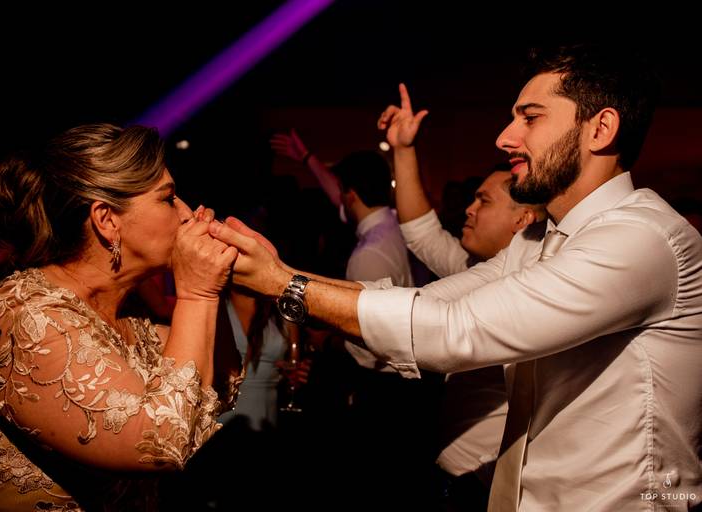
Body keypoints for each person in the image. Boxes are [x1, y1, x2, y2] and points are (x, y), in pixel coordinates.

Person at [210, 45, 702, 511]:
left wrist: (280, 284)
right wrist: (279, 272)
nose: (505, 138)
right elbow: (426, 302)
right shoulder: (538, 242)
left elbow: (452, 331)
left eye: (530, 118)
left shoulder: (643, 239)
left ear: (601, 129)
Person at [0, 123, 243, 511]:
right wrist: (199, 292)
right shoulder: (26, 316)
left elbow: (214, 390)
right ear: (107, 220)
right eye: (168, 199)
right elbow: (163, 442)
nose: (188, 214)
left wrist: (222, 278)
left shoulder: (129, 318)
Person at [384, 83, 546, 509]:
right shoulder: (476, 267)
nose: (469, 209)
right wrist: (403, 149)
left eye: (483, 201)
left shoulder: (533, 282)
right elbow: (421, 232)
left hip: (489, 484)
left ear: (522, 220)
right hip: (455, 476)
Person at [270, 131, 414, 286]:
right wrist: (306, 157)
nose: (339, 196)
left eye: (341, 190)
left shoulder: (367, 257)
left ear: (351, 196)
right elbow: (343, 200)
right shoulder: (396, 221)